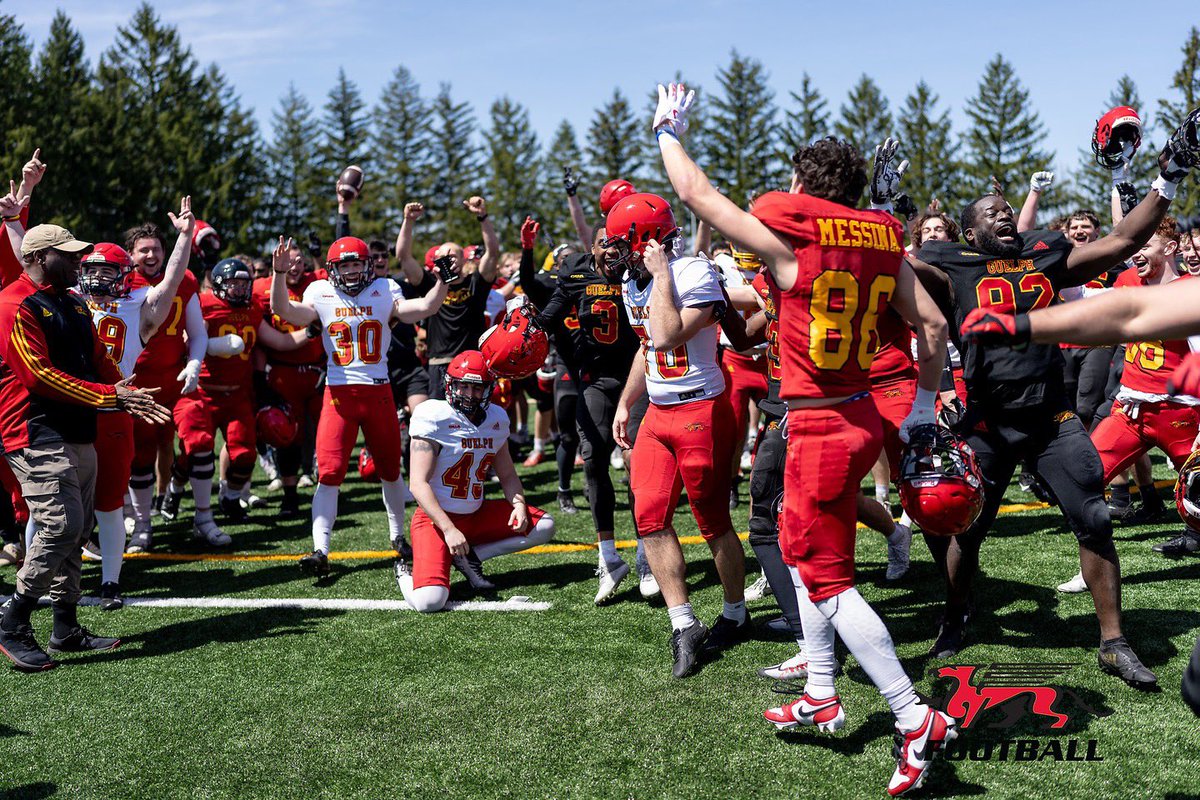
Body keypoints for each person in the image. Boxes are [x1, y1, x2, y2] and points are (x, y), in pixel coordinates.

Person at [654, 82, 954, 795]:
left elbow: (696, 193)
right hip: (860, 416)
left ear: (799, 185)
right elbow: (933, 327)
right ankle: (822, 688)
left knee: (827, 578)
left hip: (819, 423)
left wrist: (668, 127)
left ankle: (913, 716)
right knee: (799, 548)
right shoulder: (880, 238)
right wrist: (917, 409)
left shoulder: (794, 244)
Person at [910, 107, 1200, 688]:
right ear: (970, 233)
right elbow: (887, 264)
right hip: (987, 420)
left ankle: (1113, 641)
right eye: (991, 215)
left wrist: (1167, 179)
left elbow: (1124, 239)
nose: (1003, 217)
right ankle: (957, 610)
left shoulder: (1043, 252)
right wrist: (882, 211)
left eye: (1005, 211)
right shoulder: (951, 263)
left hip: (1051, 416)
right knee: (965, 530)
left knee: (1093, 519)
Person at [0, 223, 170, 672]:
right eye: (68, 254)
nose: (78, 261)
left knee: (76, 531)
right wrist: (113, 397)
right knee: (60, 526)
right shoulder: (14, 304)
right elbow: (38, 375)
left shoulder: (72, 301)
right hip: (32, 430)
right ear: (37, 258)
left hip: (79, 427)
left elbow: (98, 358)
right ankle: (13, 621)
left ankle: (65, 626)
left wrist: (124, 389)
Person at [609, 192, 747, 678]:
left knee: (712, 522)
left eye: (623, 244)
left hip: (701, 409)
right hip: (659, 413)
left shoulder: (693, 272)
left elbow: (667, 333)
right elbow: (647, 347)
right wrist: (628, 401)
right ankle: (683, 621)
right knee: (648, 517)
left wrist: (663, 273)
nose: (616, 255)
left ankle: (735, 610)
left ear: (648, 241)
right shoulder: (633, 280)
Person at [270, 235, 448, 578]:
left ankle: (398, 537)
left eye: (356, 263)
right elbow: (284, 311)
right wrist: (279, 274)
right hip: (338, 395)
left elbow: (424, 308)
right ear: (332, 268)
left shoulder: (384, 288)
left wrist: (442, 283)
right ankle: (320, 548)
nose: (351, 271)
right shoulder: (320, 291)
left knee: (390, 470)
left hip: (378, 392)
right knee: (331, 472)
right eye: (344, 265)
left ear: (367, 265)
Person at [75, 196, 197, 608]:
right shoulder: (67, 298)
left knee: (110, 503)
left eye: (107, 271)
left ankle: (111, 581)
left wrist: (184, 238)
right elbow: (27, 267)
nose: (97, 278)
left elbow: (172, 280)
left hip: (113, 410)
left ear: (124, 273)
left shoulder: (139, 305)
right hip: (70, 408)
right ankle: (51, 573)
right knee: (56, 503)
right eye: (91, 271)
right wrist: (14, 218)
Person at [531, 220, 650, 604]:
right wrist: (527, 328)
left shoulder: (639, 272)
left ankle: (647, 556)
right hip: (595, 379)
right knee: (594, 459)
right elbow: (548, 317)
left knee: (637, 464)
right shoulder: (576, 274)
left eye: (617, 244)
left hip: (637, 377)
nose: (611, 251)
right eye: (604, 244)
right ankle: (608, 556)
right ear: (592, 248)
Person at [166, 257, 313, 545]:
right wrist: (216, 346)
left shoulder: (251, 310)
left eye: (244, 284)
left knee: (244, 454)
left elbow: (279, 342)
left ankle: (230, 499)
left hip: (238, 394)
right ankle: (174, 488)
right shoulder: (204, 303)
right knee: (194, 447)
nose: (240, 289)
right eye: (234, 283)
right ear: (219, 284)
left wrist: (310, 332)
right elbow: (185, 341)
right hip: (203, 391)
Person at [395, 350, 556, 610]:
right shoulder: (433, 416)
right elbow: (418, 484)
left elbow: (507, 474)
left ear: (489, 389)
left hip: (475, 513)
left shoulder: (496, 418)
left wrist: (518, 504)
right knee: (430, 602)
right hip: (436, 520)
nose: (470, 395)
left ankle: (472, 556)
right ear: (450, 385)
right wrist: (448, 530)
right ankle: (404, 573)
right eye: (463, 386)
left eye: (477, 388)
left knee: (545, 525)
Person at [124, 219, 208, 552]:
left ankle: (204, 518)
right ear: (131, 255)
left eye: (156, 248)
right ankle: (142, 526)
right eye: (143, 249)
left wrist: (194, 362)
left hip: (176, 379)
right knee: (140, 454)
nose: (150, 254)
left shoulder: (183, 280)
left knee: (200, 437)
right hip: (137, 384)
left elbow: (198, 332)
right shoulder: (121, 282)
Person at [394, 198, 500, 399]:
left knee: (473, 424)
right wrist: (408, 221)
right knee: (440, 424)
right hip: (438, 364)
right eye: (443, 255)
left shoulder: (475, 282)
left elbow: (493, 253)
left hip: (472, 362)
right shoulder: (429, 284)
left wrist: (483, 216)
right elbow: (403, 257)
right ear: (435, 261)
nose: (448, 258)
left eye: (453, 255)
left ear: (462, 258)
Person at [253, 240, 325, 516]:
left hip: (318, 371)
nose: (294, 268)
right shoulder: (262, 288)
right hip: (283, 371)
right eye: (288, 263)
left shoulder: (317, 282)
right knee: (287, 436)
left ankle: (328, 490)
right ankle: (290, 494)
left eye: (298, 263)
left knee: (326, 434)